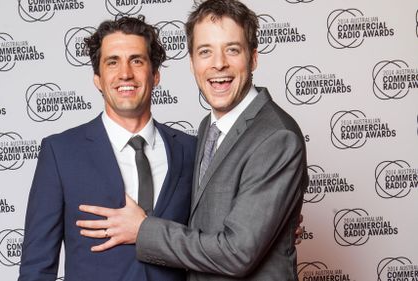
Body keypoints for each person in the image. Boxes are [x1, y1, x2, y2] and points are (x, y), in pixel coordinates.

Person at [76, 0, 309, 280]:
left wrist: (143, 229)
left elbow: (238, 252)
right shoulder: (209, 128)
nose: (218, 64)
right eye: (205, 52)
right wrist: (274, 227)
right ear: (192, 62)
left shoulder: (276, 137)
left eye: (232, 50)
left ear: (254, 57)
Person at [18, 16, 197, 281]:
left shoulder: (191, 150)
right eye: (112, 62)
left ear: (155, 75)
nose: (125, 73)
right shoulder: (61, 152)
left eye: (137, 60)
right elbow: (37, 267)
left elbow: (210, 247)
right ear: (98, 79)